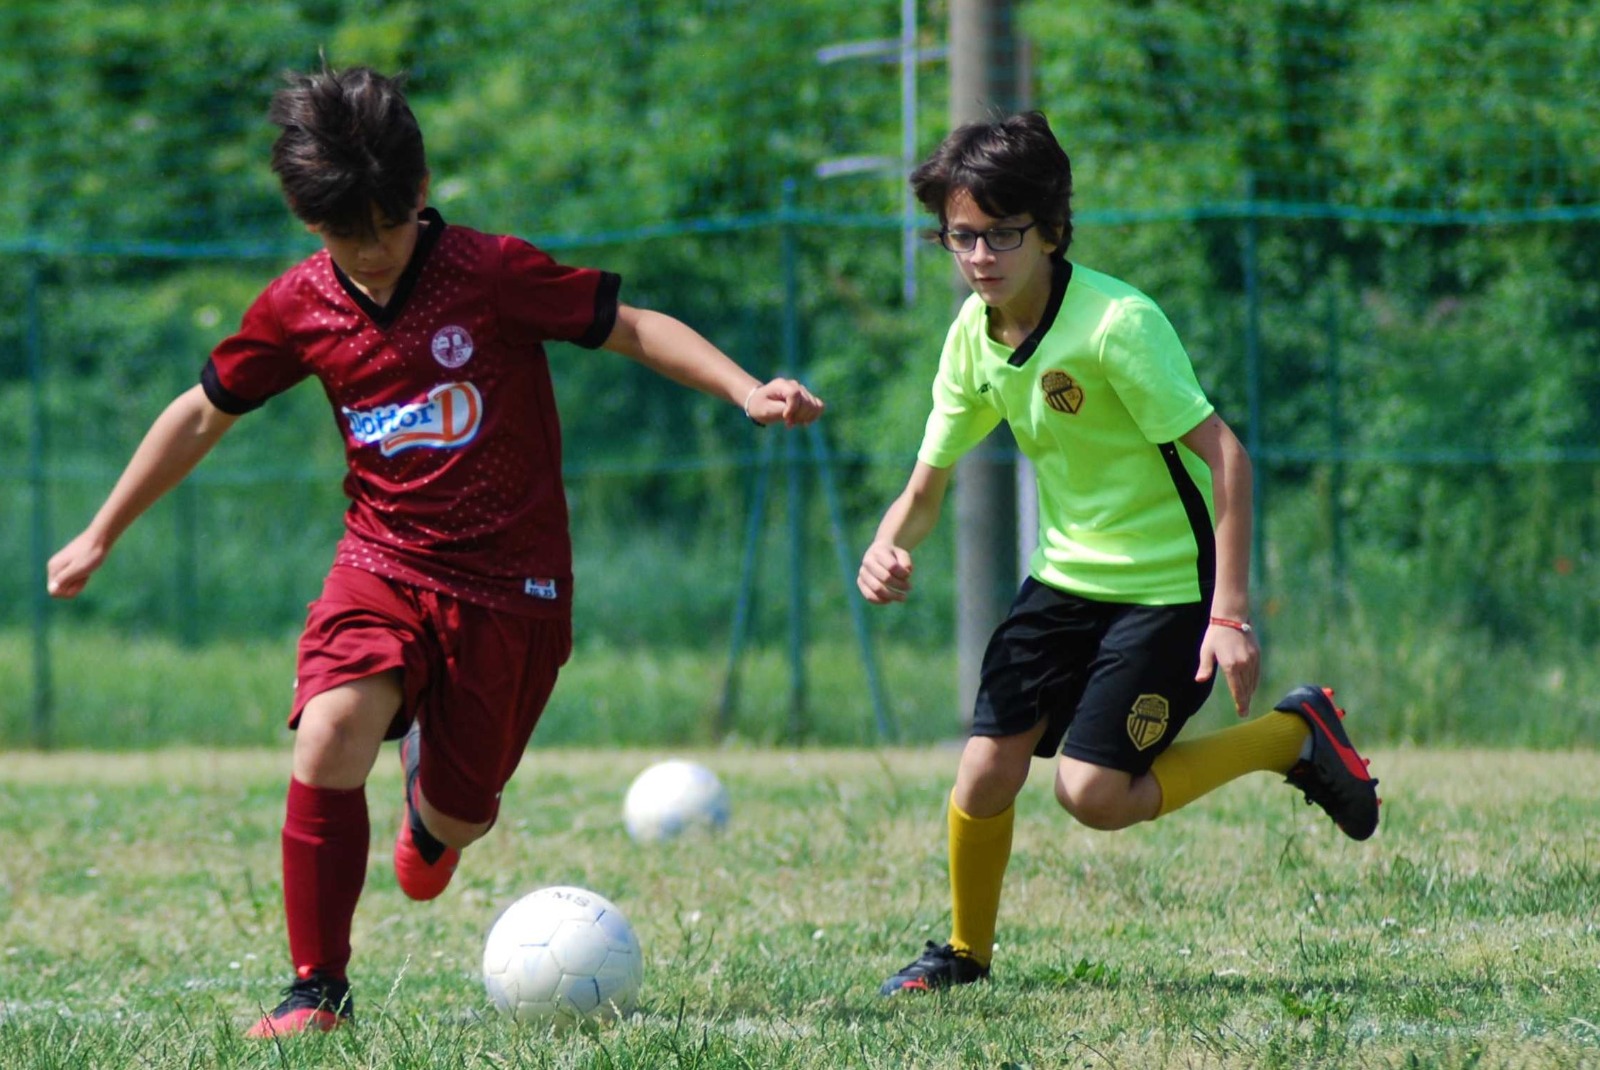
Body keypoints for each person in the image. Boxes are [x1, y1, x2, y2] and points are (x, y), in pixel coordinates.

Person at [45, 63, 824, 1037]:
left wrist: (744, 387)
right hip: (383, 562)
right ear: (307, 220)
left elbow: (628, 326)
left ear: (419, 190)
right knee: (329, 729)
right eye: (346, 234)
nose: (371, 252)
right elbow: (204, 412)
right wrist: (100, 531)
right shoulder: (298, 306)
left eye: (387, 225)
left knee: (456, 823)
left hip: (512, 589)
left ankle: (433, 805)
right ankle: (316, 990)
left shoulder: (489, 273)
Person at [856, 111, 1379, 995]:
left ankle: (1290, 736)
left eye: (1002, 234)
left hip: (1167, 589)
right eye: (961, 236)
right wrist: (885, 546)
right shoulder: (972, 337)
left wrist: (1229, 614)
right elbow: (925, 488)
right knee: (984, 768)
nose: (980, 256)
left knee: (1093, 794)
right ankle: (964, 955)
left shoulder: (1115, 324)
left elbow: (1227, 457)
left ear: (1052, 230)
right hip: (1063, 580)